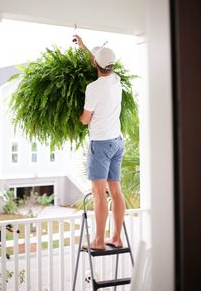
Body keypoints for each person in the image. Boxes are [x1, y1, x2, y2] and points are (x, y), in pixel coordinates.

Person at [73, 34, 126, 250]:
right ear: (112, 66)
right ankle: (116, 237)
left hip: (101, 145)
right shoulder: (116, 80)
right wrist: (85, 47)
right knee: (115, 190)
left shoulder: (93, 88)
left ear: (96, 64)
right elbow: (99, 60)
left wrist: (75, 117)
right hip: (117, 142)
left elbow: (85, 120)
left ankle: (98, 241)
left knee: (98, 193)